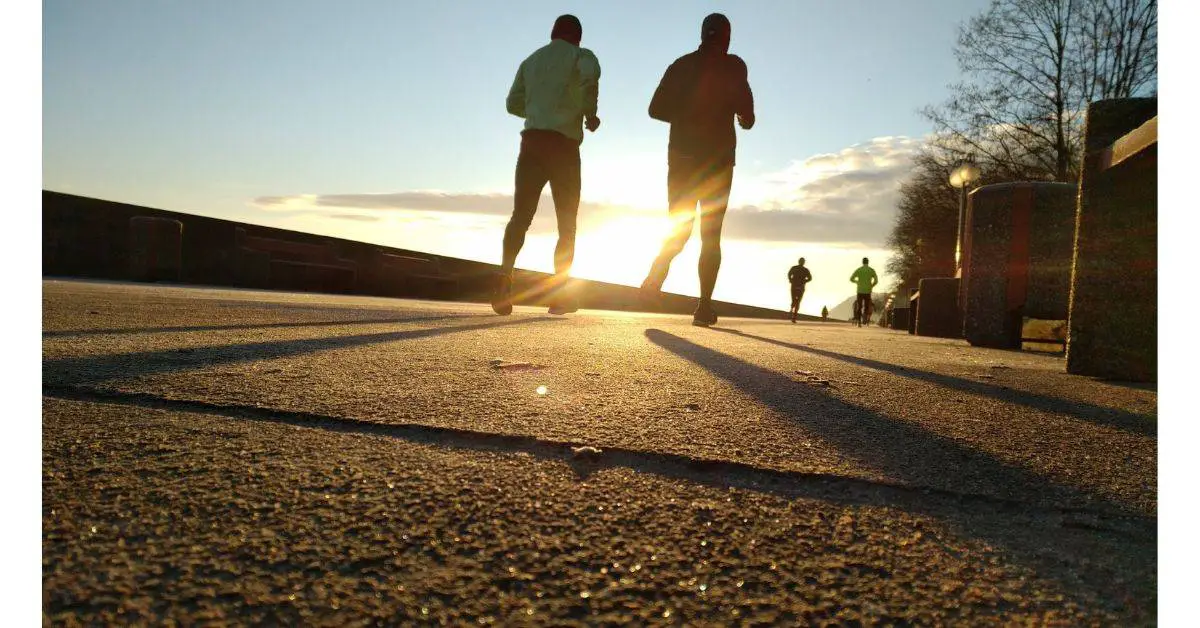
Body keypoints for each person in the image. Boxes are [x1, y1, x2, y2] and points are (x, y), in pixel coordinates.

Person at [639, 13, 755, 327]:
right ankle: (703, 307)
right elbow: (748, 116)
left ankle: (655, 276)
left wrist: (687, 113)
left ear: (703, 34)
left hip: (682, 160)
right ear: (727, 38)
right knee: (711, 235)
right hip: (717, 162)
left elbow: (654, 109)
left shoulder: (680, 65)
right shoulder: (735, 66)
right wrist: (740, 117)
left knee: (680, 226)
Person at [492, 15, 602, 316]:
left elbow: (512, 103)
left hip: (531, 143)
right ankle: (559, 295)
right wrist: (589, 114)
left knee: (521, 216)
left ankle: (504, 276)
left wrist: (539, 108)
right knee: (566, 224)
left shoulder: (531, 60)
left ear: (552, 33)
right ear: (577, 37)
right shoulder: (582, 56)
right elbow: (589, 83)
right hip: (564, 148)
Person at [849, 257, 878, 325]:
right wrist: (871, 285)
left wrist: (857, 282)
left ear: (862, 262)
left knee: (859, 306)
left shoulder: (859, 270)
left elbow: (851, 279)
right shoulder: (871, 270)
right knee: (867, 306)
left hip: (860, 291)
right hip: (868, 291)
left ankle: (859, 320)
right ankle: (864, 317)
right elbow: (876, 281)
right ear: (868, 262)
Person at [786, 257, 812, 323]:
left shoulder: (794, 268)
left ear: (799, 261)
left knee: (794, 299)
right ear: (803, 262)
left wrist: (791, 280)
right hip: (801, 287)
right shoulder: (805, 270)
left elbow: (789, 274)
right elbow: (810, 278)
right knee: (798, 301)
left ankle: (792, 308)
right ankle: (794, 317)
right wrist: (805, 281)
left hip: (794, 285)